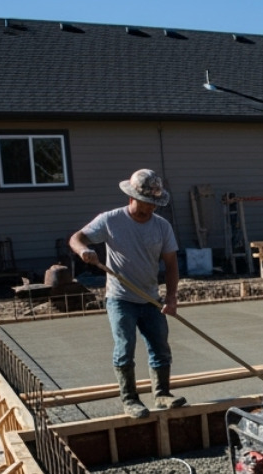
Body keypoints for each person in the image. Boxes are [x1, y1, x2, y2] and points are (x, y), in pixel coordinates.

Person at [68, 169, 185, 419]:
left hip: (151, 298)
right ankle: (130, 400)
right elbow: (76, 238)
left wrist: (171, 297)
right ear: (132, 197)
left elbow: (171, 264)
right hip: (121, 298)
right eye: (145, 203)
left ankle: (162, 394)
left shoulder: (162, 227)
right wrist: (83, 251)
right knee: (125, 347)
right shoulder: (110, 220)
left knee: (160, 347)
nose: (149, 209)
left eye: (154, 204)